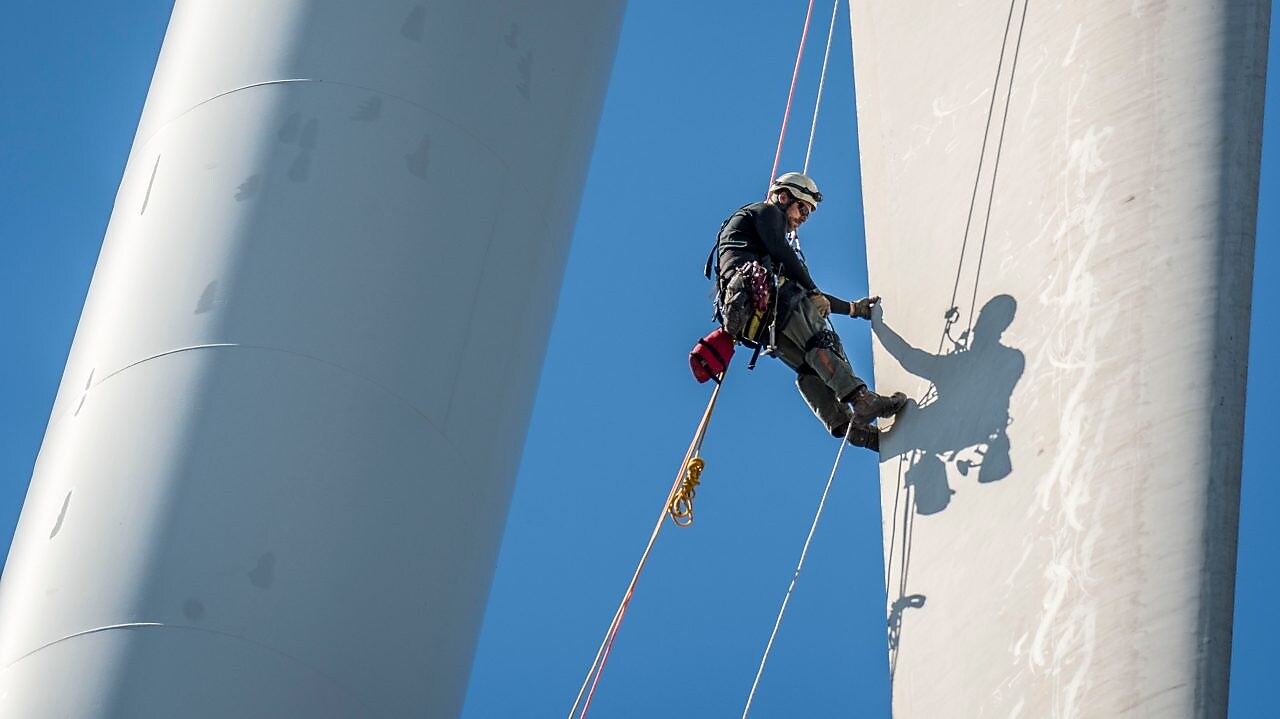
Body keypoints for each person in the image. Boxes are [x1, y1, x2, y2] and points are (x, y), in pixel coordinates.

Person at [709, 172, 906, 451]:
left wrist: (852, 309)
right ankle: (862, 401)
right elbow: (786, 261)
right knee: (819, 342)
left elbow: (798, 289)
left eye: (809, 212)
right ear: (784, 196)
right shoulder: (767, 212)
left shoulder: (753, 243)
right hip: (770, 299)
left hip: (754, 318)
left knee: (807, 365)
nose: (804, 217)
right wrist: (812, 290)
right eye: (802, 208)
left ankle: (849, 428)